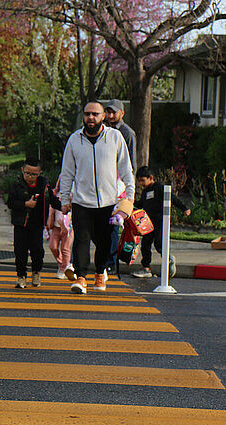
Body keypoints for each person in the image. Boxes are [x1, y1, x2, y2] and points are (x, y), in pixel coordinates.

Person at [58, 101, 135, 294]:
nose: (90, 117)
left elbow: (126, 168)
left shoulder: (115, 137)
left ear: (103, 117)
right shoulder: (75, 140)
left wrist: (131, 196)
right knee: (81, 240)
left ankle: (100, 273)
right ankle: (81, 278)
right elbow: (66, 172)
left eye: (95, 114)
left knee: (104, 242)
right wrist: (64, 200)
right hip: (82, 201)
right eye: (87, 114)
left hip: (108, 202)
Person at [6, 159, 62, 288]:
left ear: (39, 173)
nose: (30, 177)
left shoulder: (44, 185)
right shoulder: (17, 184)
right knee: (20, 251)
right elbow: (10, 203)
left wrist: (64, 207)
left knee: (37, 251)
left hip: (37, 224)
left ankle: (36, 272)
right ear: (22, 170)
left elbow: (53, 200)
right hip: (21, 224)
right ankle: (21, 277)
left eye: (34, 174)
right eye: (27, 173)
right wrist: (26, 204)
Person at [131, 166, 191, 278]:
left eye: (143, 180)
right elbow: (141, 204)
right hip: (148, 223)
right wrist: (130, 202)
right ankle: (146, 268)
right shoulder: (145, 192)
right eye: (139, 181)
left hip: (160, 221)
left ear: (151, 178)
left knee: (159, 244)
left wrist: (184, 208)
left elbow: (172, 198)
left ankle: (169, 260)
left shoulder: (159, 187)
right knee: (145, 245)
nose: (141, 183)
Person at [104, 99, 137, 275]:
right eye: (108, 112)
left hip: (120, 186)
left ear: (122, 113)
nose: (110, 116)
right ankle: (107, 259)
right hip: (105, 183)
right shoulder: (105, 131)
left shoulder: (127, 133)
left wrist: (129, 190)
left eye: (113, 112)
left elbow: (130, 163)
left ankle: (112, 260)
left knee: (115, 225)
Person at [46, 178, 74, 280]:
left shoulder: (73, 196)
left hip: (68, 227)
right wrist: (48, 223)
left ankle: (64, 269)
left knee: (65, 249)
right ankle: (62, 265)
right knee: (53, 246)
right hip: (56, 227)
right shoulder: (56, 195)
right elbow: (51, 210)